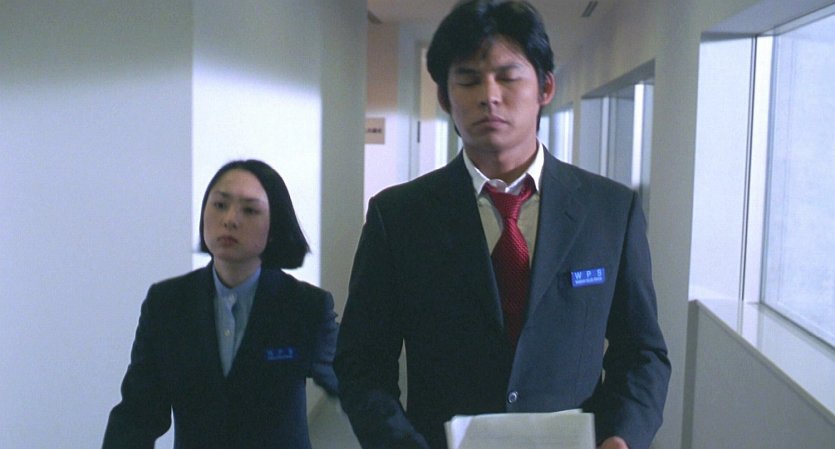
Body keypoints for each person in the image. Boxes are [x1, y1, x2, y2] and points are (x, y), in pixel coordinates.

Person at [334, 1, 670, 449]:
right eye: (468, 79)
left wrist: (623, 436)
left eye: (508, 77)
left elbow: (642, 353)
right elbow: (361, 364)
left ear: (545, 87)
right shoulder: (398, 216)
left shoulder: (609, 210)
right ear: (444, 97)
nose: (488, 96)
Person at [103, 160, 338, 449]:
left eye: (249, 210)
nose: (230, 220)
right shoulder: (167, 304)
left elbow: (353, 384)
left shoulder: (305, 307)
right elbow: (138, 414)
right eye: (220, 205)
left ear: (274, 227)